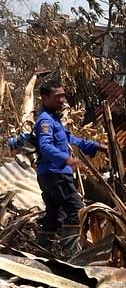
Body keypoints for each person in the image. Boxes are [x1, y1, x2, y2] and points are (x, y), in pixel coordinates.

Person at [33, 80, 101, 244]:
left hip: (51, 174)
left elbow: (69, 139)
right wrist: (67, 159)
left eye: (63, 96)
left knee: (55, 215)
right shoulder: (45, 121)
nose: (62, 99)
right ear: (44, 97)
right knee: (76, 211)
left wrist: (97, 146)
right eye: (57, 96)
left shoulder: (54, 120)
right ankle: (70, 254)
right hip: (55, 174)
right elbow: (45, 146)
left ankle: (44, 248)